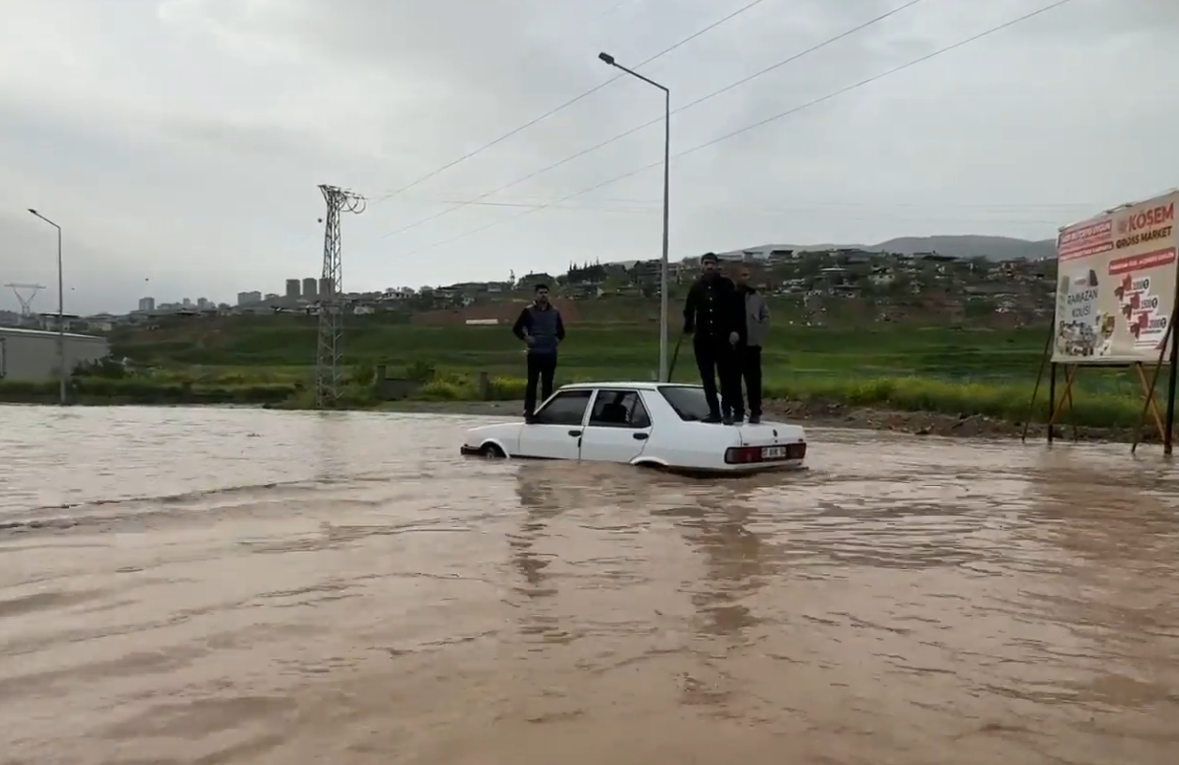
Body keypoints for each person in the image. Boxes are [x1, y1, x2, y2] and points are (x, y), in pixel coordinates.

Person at [682, 252, 744, 424]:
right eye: (706, 263)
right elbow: (689, 309)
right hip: (702, 339)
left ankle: (727, 412)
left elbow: (735, 309)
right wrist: (688, 326)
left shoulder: (726, 285)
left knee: (726, 378)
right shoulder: (696, 287)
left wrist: (735, 330)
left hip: (722, 337)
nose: (709, 266)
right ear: (701, 266)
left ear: (717, 266)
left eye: (712, 263)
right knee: (707, 379)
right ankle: (714, 412)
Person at [512, 283, 566, 422]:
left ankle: (546, 410)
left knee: (548, 383)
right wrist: (526, 338)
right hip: (535, 352)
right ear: (536, 295)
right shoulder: (528, 311)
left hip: (550, 352)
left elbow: (561, 332)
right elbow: (517, 328)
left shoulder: (554, 312)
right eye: (541, 293)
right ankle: (529, 410)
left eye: (546, 293)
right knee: (532, 382)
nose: (543, 295)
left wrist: (555, 340)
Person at [732, 264, 769, 424]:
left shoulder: (756, 296)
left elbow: (765, 315)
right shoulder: (729, 295)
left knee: (754, 381)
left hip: (752, 345)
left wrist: (759, 332)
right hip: (733, 346)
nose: (747, 278)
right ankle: (737, 411)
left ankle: (755, 411)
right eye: (743, 275)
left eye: (748, 275)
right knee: (733, 381)